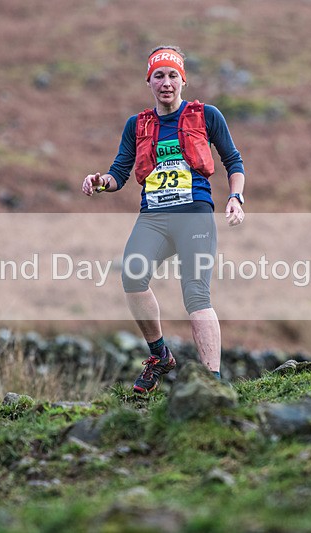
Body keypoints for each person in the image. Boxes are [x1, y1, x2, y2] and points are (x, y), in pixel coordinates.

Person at [82, 45, 246, 393]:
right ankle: (160, 357)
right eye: (159, 76)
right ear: (149, 82)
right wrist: (100, 182)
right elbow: (119, 174)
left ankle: (212, 384)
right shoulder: (136, 125)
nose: (166, 82)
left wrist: (235, 197)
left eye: (173, 75)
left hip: (194, 215)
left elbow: (234, 161)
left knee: (196, 296)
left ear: (183, 80)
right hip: (154, 217)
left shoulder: (206, 115)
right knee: (132, 276)